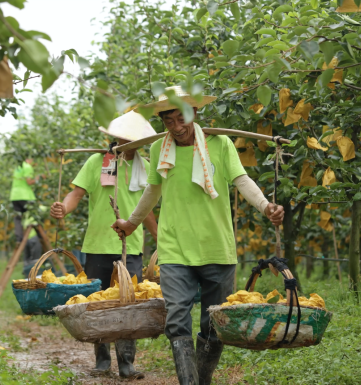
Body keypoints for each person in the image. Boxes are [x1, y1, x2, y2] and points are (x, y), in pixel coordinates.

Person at [112, 86, 284, 385]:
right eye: (169, 122)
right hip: (175, 249)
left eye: (182, 119)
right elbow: (152, 192)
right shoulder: (158, 150)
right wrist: (131, 223)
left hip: (216, 247)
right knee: (177, 319)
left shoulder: (220, 144)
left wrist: (265, 206)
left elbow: (241, 179)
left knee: (213, 323)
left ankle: (202, 379)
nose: (177, 128)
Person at [50, 111, 159, 380]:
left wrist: (160, 238)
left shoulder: (145, 167)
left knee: (127, 304)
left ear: (141, 142)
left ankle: (127, 362)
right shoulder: (98, 161)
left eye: (133, 138)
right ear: (114, 137)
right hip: (97, 243)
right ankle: (101, 360)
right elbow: (76, 193)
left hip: (130, 245)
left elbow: (148, 210)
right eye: (122, 136)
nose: (126, 141)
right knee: (98, 304)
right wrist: (64, 208)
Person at [9, 158, 37, 244]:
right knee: (35, 215)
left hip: (14, 196)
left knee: (18, 218)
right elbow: (29, 182)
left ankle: (19, 239)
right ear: (30, 159)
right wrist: (39, 178)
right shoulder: (27, 167)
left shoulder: (18, 167)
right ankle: (38, 236)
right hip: (25, 196)